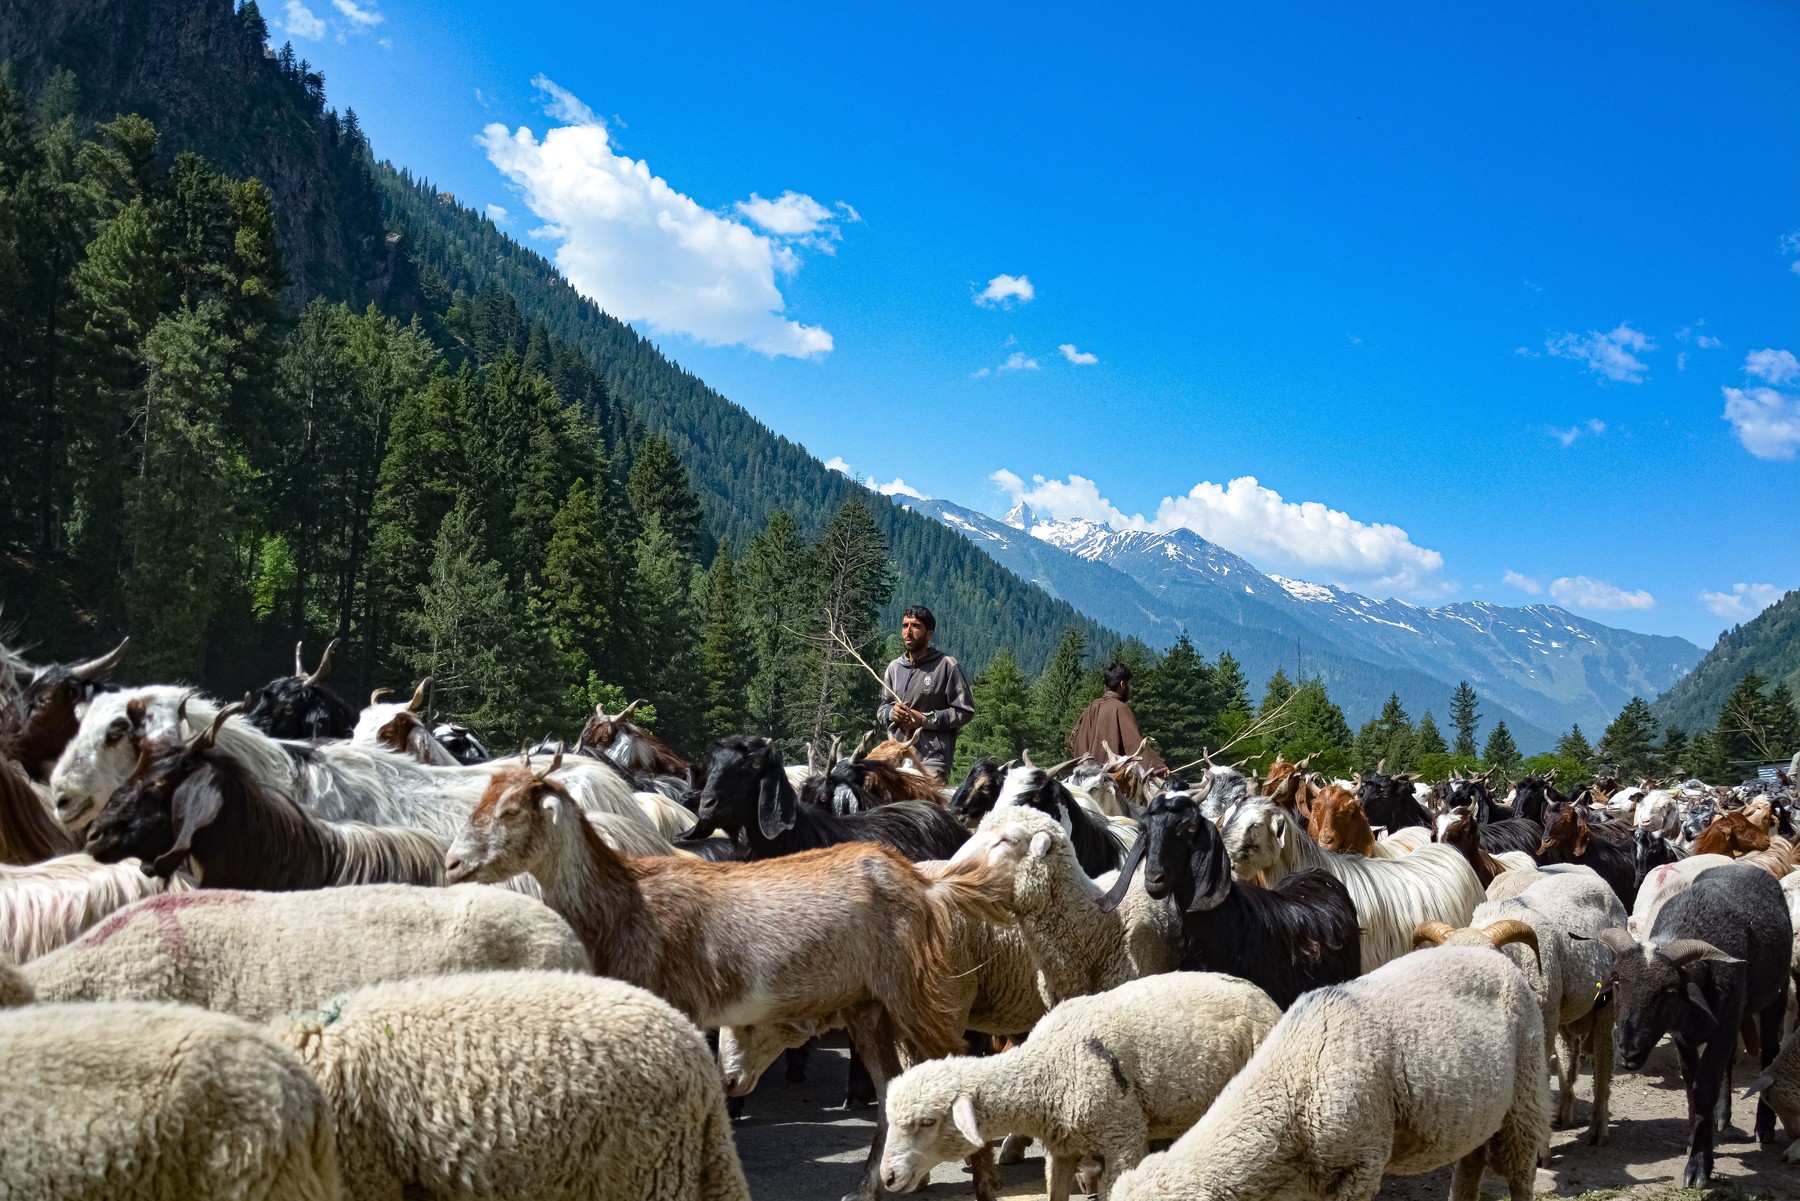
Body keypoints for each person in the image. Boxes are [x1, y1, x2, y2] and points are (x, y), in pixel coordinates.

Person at [876, 605, 973, 778]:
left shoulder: (946, 665)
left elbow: (964, 711)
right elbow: (881, 710)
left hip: (931, 762)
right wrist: (892, 712)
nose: (908, 632)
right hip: (896, 758)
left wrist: (924, 719)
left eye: (915, 626)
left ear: (929, 634)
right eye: (905, 626)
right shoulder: (894, 668)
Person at [1070, 662, 1167, 773]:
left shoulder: (1091, 707)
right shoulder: (1120, 708)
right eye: (1129, 684)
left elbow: (1074, 737)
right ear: (1122, 684)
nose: (1130, 688)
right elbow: (1134, 744)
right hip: (1107, 781)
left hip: (1083, 778)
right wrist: (1159, 768)